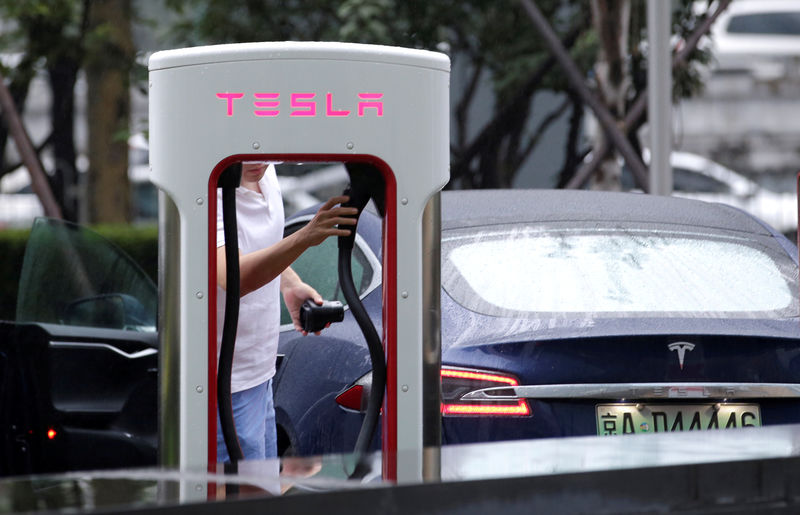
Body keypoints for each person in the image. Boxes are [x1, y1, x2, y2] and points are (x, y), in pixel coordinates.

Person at [216, 160, 357, 462]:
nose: (260, 162)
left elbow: (258, 245)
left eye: (269, 154)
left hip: (259, 371)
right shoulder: (210, 186)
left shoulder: (267, 173)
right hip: (222, 384)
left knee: (261, 489)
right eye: (250, 153)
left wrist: (290, 283)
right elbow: (231, 275)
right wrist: (304, 237)